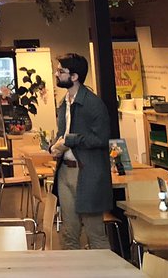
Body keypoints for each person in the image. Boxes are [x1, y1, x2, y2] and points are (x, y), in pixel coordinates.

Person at [50, 52, 111, 250]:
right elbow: (62, 134)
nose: (56, 74)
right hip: (64, 171)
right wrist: (55, 146)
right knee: (69, 233)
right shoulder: (64, 103)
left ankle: (105, 267)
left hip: (87, 173)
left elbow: (101, 139)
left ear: (74, 76)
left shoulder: (93, 104)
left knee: (95, 233)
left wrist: (72, 140)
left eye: (61, 71)